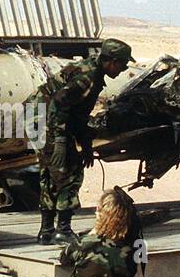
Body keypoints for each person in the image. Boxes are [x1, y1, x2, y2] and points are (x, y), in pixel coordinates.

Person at [33, 38, 133, 245]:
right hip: (47, 121)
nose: (123, 70)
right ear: (111, 61)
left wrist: (85, 144)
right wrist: (60, 141)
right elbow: (59, 104)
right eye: (122, 65)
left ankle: (47, 231)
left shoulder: (93, 73)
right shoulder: (87, 77)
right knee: (68, 173)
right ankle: (62, 230)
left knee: (53, 174)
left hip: (42, 120)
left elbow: (77, 115)